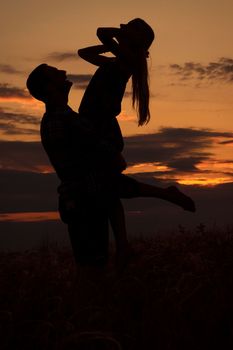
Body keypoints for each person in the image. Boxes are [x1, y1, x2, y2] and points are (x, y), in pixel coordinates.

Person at [76, 18, 195, 266]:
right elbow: (83, 52)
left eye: (127, 28)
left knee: (109, 188)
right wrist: (116, 42)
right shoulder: (118, 61)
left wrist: (119, 36)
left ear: (133, 40)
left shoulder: (128, 62)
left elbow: (101, 32)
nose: (121, 29)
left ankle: (162, 198)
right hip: (97, 129)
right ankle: (123, 247)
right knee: (109, 190)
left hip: (100, 131)